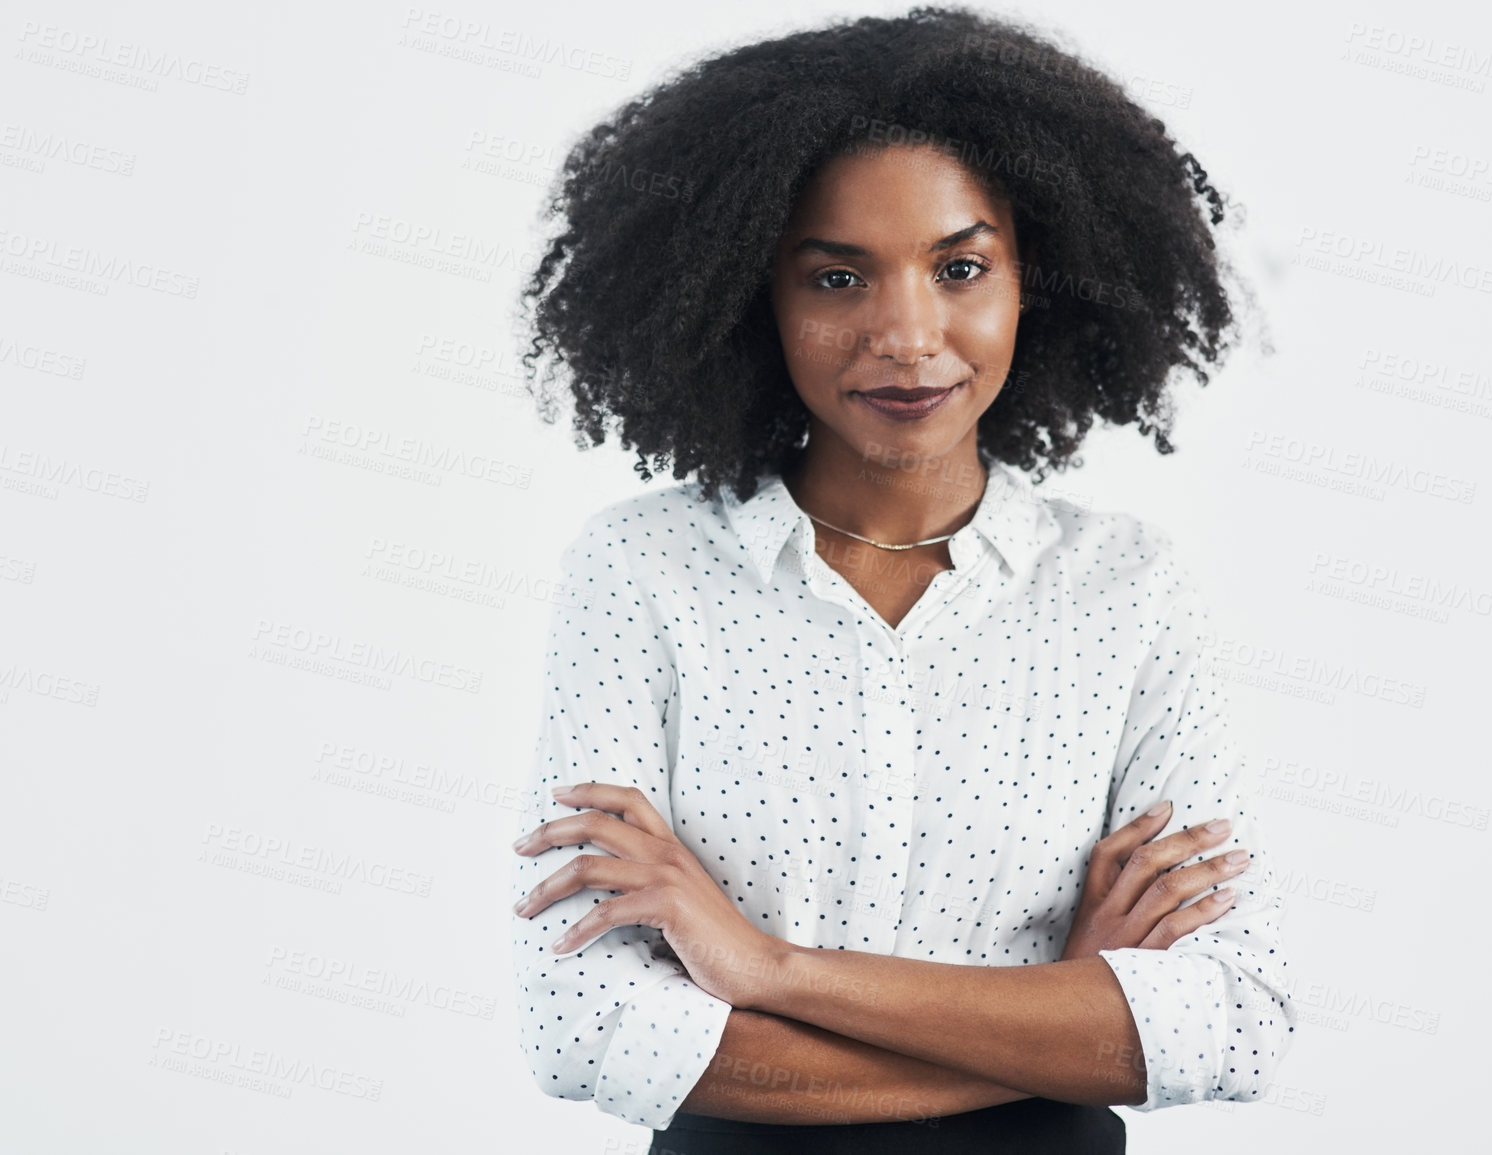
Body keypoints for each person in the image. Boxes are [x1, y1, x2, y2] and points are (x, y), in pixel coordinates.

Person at [507, 8, 1295, 1152]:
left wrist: (766, 969)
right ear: (749, 297)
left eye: (960, 267)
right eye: (836, 280)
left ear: (1041, 279)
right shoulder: (644, 574)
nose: (907, 335)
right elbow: (585, 1028)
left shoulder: (1128, 593)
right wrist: (1057, 1023)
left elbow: (1231, 1021)